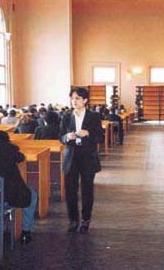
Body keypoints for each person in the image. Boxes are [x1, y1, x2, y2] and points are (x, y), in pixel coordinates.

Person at [60, 87, 103, 233]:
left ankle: (85, 220)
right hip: (71, 156)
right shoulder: (66, 116)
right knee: (70, 191)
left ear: (85, 100)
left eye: (77, 98)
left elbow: (100, 137)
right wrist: (67, 137)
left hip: (87, 157)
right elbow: (61, 136)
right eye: (72, 98)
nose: (74, 101)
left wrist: (88, 133)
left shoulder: (94, 117)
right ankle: (73, 220)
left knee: (87, 190)